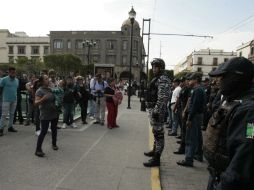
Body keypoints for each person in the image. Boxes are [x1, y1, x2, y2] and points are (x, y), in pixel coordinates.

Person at [203, 57, 254, 190]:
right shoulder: (231, 100)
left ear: (236, 78)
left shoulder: (250, 111)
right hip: (217, 174)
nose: (217, 81)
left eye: (223, 77)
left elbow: (243, 157)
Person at [143, 58, 171, 167]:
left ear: (161, 68)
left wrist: (156, 111)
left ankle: (157, 158)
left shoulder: (163, 79)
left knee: (159, 135)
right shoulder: (157, 78)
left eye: (156, 67)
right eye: (153, 67)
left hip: (157, 111)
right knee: (155, 132)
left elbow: (163, 97)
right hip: (152, 109)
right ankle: (154, 151)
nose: (154, 69)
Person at [177, 72, 206, 167]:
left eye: (190, 79)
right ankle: (198, 154)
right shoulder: (200, 89)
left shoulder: (197, 90)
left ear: (196, 80)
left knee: (190, 138)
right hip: (198, 115)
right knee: (197, 137)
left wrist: (189, 119)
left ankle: (188, 159)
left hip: (195, 116)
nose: (188, 81)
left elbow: (194, 106)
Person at [34, 74, 59, 157]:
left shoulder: (50, 89)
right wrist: (43, 98)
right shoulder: (39, 91)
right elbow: (36, 103)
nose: (48, 80)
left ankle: (54, 144)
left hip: (54, 112)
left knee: (54, 129)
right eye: (46, 79)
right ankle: (38, 150)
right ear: (41, 81)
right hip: (45, 114)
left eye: (48, 78)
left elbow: (55, 99)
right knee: (44, 131)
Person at [0, 67, 19, 136]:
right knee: (4, 115)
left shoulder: (17, 80)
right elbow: (0, 89)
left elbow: (15, 89)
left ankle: (10, 127)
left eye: (14, 72)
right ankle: (1, 129)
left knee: (12, 114)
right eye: (11, 72)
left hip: (14, 99)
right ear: (9, 72)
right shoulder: (4, 80)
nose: (13, 73)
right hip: (6, 100)